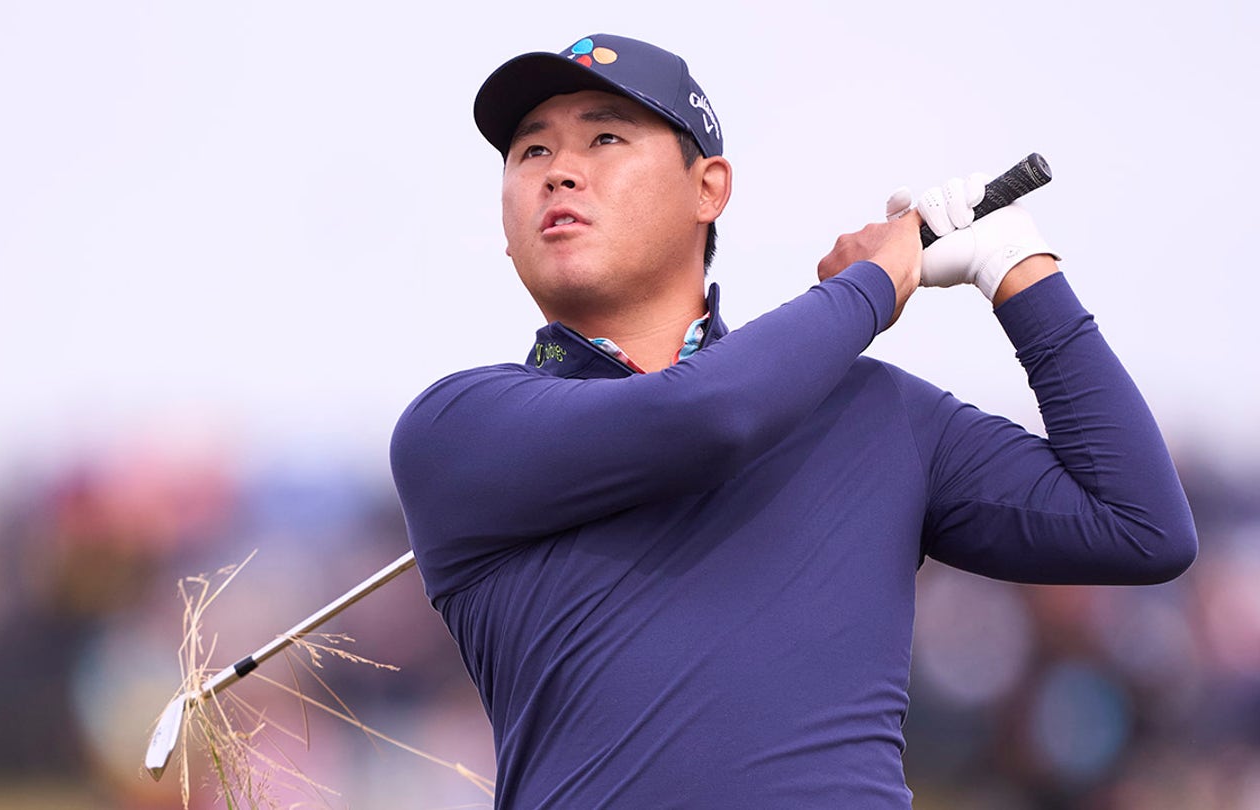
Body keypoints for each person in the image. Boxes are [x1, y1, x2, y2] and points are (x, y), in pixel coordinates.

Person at [389, 33, 1197, 809]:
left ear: (708, 188)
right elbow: (708, 413)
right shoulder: (459, 428)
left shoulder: (876, 412)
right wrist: (872, 284)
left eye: (603, 139)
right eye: (532, 152)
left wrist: (1017, 268)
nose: (560, 172)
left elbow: (1140, 527)